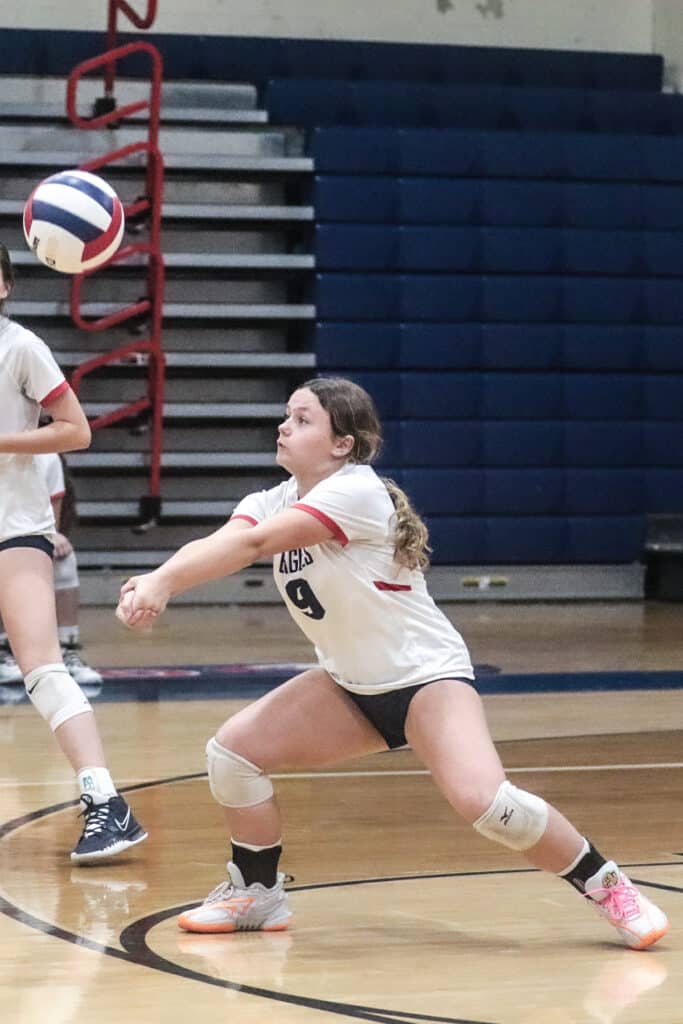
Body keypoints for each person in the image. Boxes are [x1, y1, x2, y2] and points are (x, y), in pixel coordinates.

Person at [117, 377, 668, 949]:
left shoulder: (355, 492)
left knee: (486, 803)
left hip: (426, 678)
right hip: (349, 687)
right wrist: (161, 579)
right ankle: (257, 893)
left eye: (303, 419)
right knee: (232, 756)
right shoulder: (268, 501)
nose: (284, 426)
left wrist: (161, 584)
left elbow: (254, 549)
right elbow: (225, 541)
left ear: (342, 445)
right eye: (286, 415)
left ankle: (608, 886)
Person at [0, 242, 147, 863]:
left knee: (41, 667)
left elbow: (77, 430)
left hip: (12, 527)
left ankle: (106, 802)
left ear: (3, 285)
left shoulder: (21, 347)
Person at [0, 451, 102, 686]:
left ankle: (67, 649)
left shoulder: (47, 456)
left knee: (63, 557)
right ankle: (5, 648)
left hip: (21, 535)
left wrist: (53, 537)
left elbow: (50, 522)